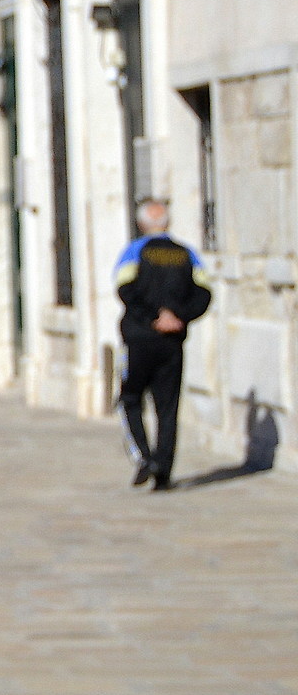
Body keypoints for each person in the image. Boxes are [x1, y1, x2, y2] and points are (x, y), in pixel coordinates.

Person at [114, 197, 213, 491]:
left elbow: (124, 288)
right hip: (171, 342)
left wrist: (153, 317)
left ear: (142, 224)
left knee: (129, 399)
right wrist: (179, 317)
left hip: (140, 338)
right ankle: (164, 472)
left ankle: (144, 456)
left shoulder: (135, 251)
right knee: (167, 407)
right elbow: (204, 293)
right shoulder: (187, 254)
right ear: (167, 223)